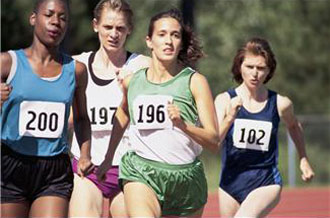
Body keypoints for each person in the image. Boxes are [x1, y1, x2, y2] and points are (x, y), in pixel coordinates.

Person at [96, 8, 219, 217]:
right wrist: (108, 157)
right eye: (162, 35)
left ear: (181, 42)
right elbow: (123, 113)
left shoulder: (195, 82)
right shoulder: (132, 81)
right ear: (149, 41)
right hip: (141, 172)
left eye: (175, 35)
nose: (168, 41)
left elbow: (214, 140)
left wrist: (184, 126)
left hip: (185, 179)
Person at [0, 0, 92, 217]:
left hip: (54, 171)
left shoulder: (76, 70)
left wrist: (86, 154)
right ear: (34, 19)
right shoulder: (7, 63)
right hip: (11, 164)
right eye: (49, 14)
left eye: (62, 18)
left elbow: (81, 119)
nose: (55, 22)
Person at [214, 37, 315, 217]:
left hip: (265, 180)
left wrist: (303, 159)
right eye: (249, 67)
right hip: (230, 181)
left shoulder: (280, 104)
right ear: (240, 66)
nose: (255, 73)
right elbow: (214, 141)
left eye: (261, 68)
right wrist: (229, 117)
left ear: (269, 71)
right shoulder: (224, 100)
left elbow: (293, 125)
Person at [68, 0, 150, 217]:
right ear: (95, 25)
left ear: (129, 29)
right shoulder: (76, 65)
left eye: (120, 28)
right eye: (108, 27)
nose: (114, 34)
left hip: (129, 170)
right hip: (87, 167)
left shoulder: (144, 66)